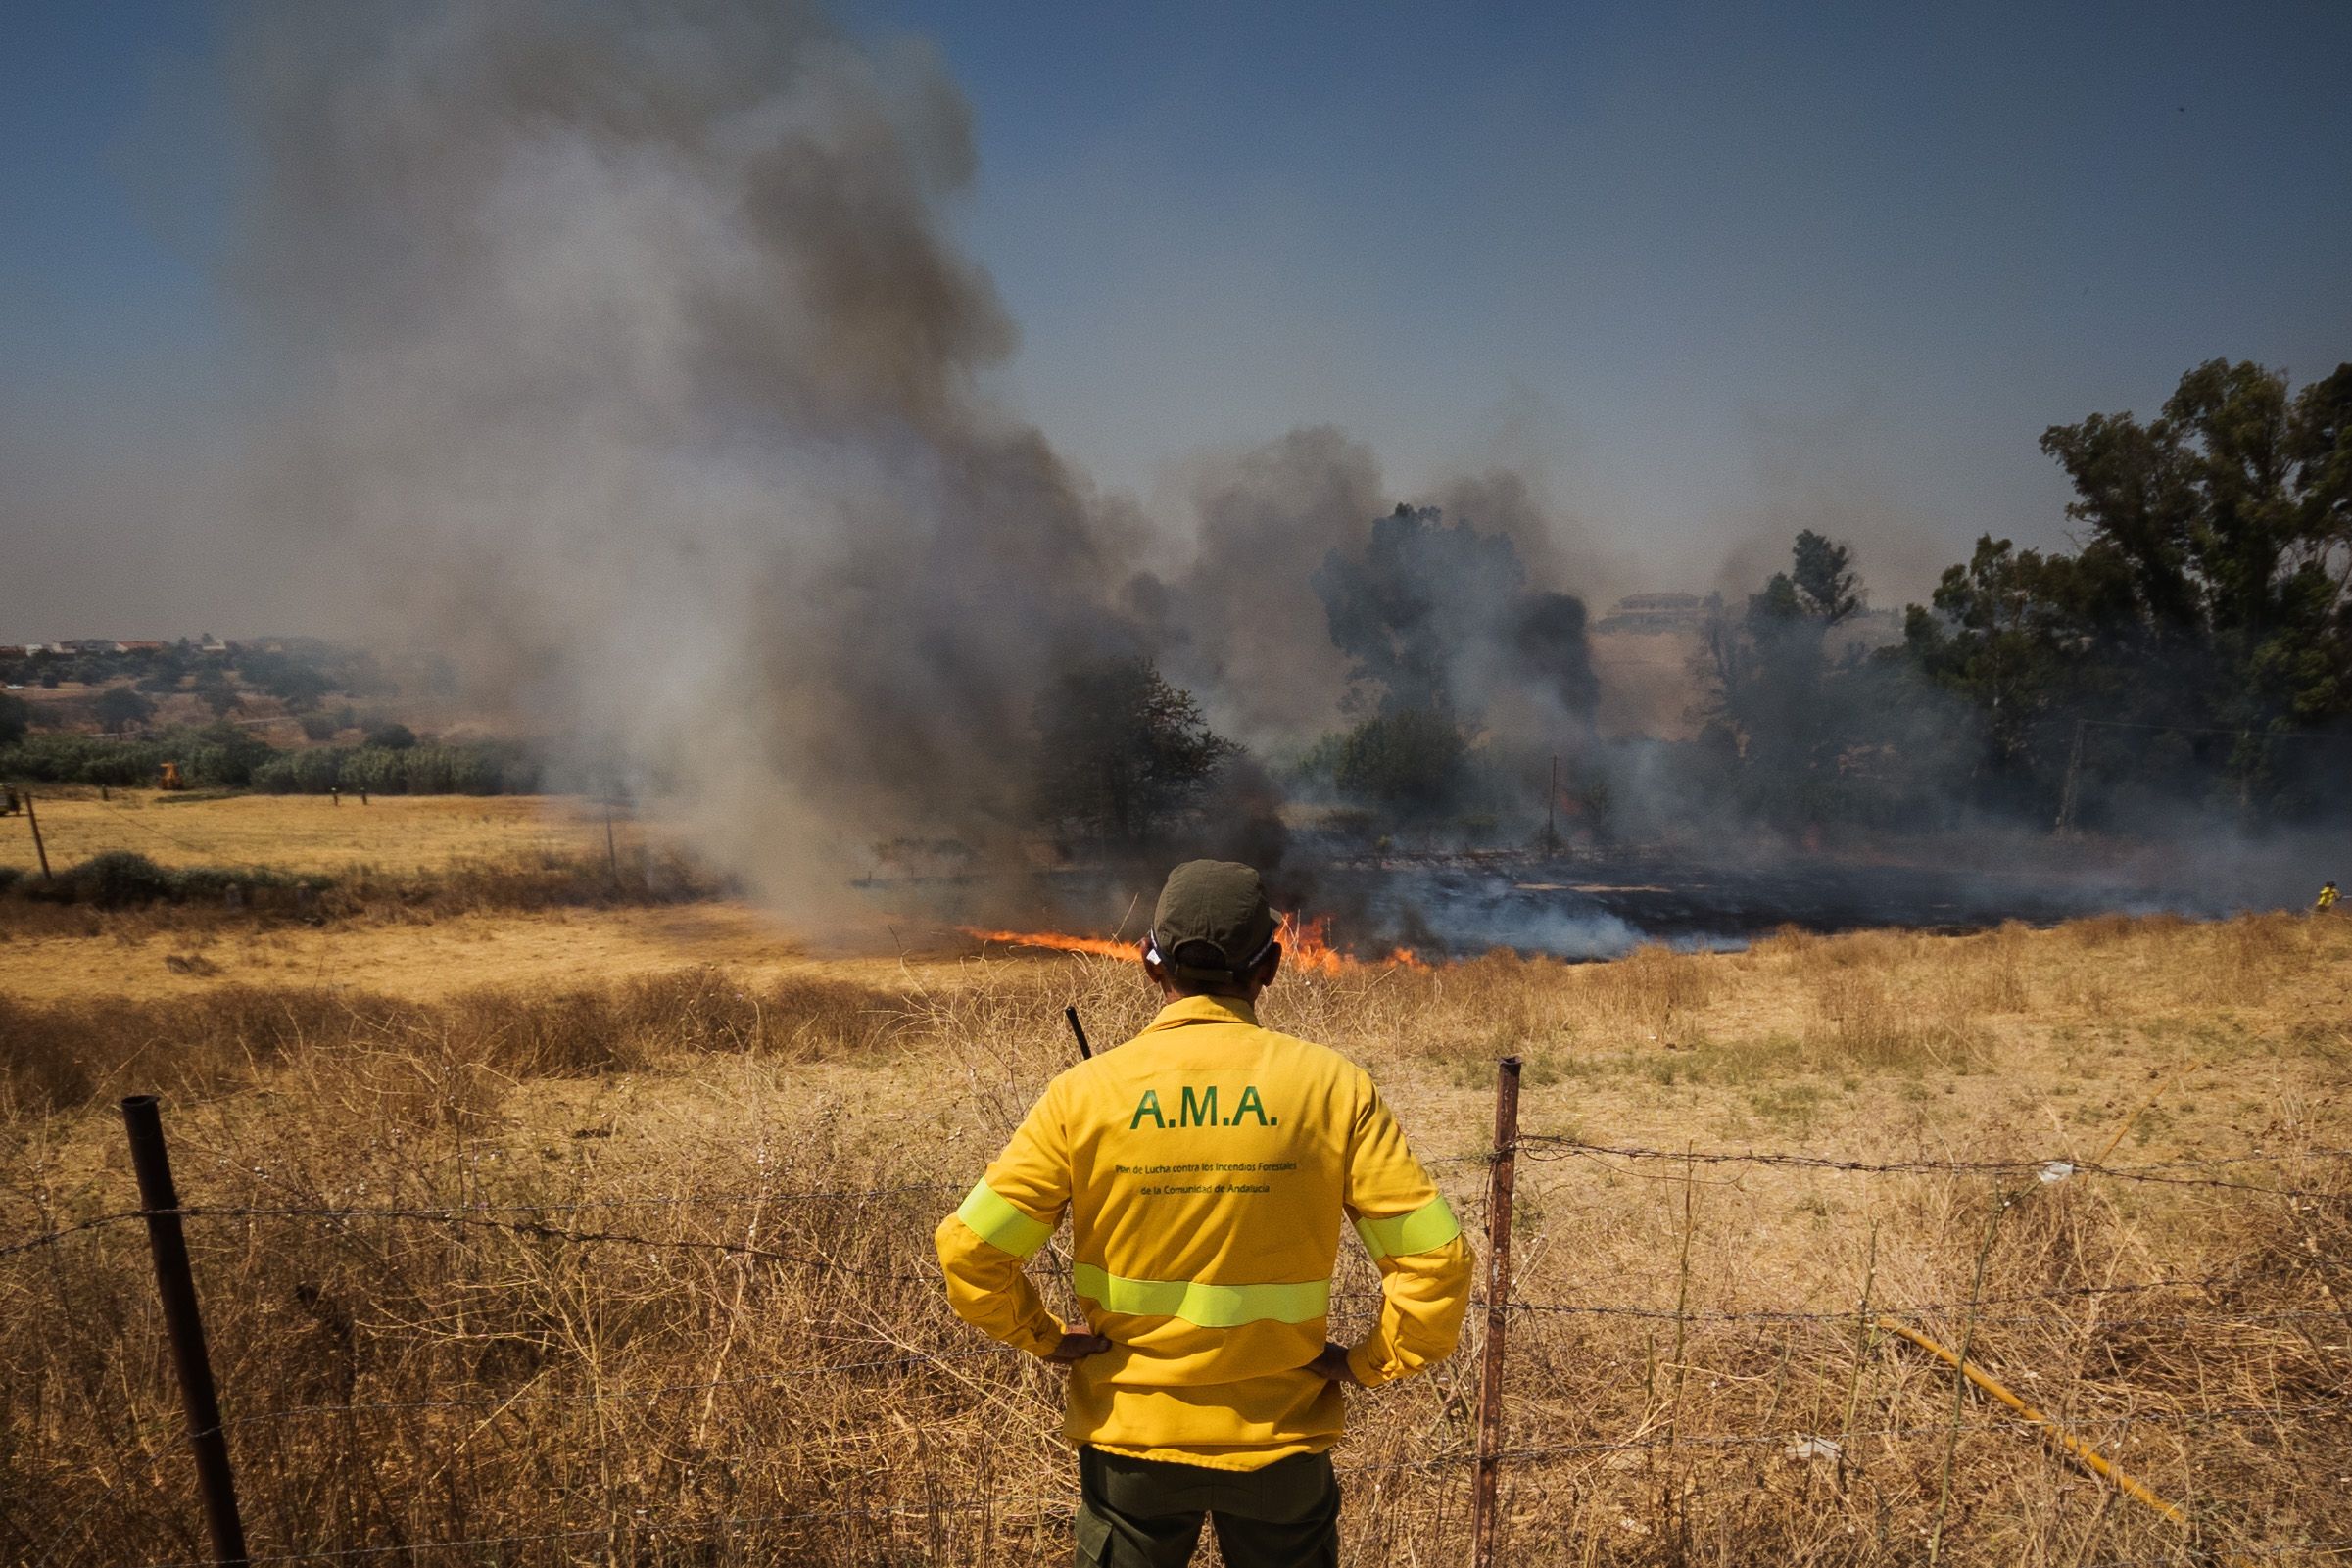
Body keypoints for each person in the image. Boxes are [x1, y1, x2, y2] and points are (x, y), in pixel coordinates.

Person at [936, 860, 1473, 1567]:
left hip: (1130, 1445)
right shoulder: (1333, 1089)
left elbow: (970, 1249)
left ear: (1148, 963)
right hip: (1282, 1443)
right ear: (1272, 965)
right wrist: (1371, 1362)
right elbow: (1436, 1259)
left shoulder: (1083, 1094)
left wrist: (1044, 1337)